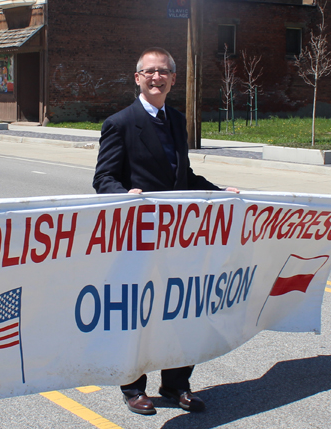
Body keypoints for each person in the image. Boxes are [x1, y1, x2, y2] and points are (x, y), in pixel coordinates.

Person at [93, 47, 239, 415]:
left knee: (183, 310)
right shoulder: (120, 123)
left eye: (164, 72)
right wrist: (125, 195)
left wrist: (218, 192)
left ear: (173, 79)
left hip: (179, 238)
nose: (156, 77)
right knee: (140, 315)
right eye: (149, 71)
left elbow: (183, 177)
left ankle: (176, 385)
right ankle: (132, 387)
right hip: (139, 237)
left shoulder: (176, 119)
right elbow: (103, 179)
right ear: (137, 78)